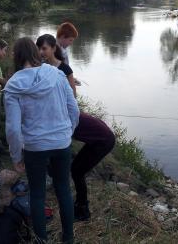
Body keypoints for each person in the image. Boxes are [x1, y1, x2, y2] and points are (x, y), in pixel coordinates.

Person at [4, 37, 79, 243]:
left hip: (35, 146)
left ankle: (41, 240)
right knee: (63, 188)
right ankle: (68, 238)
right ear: (36, 54)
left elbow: (12, 127)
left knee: (37, 194)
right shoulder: (57, 74)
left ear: (17, 57)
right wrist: (67, 133)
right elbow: (74, 109)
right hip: (61, 142)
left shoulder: (13, 84)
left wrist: (16, 155)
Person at [36, 34, 116, 221]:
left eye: (44, 48)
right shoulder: (60, 116)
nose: (41, 52)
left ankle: (83, 209)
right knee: (75, 169)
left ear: (54, 48)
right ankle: (79, 205)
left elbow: (71, 99)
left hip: (104, 141)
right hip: (98, 138)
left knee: (77, 171)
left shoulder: (64, 117)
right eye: (38, 49)